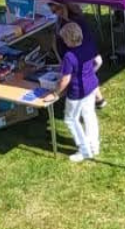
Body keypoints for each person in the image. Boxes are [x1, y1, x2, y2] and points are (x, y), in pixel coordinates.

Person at [42, 20, 101, 162]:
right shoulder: (89, 45)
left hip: (77, 91)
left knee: (71, 119)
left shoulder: (69, 56)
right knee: (89, 114)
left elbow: (65, 80)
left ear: (67, 39)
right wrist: (89, 74)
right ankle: (94, 145)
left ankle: (84, 150)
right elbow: (98, 62)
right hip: (91, 85)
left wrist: (55, 93)